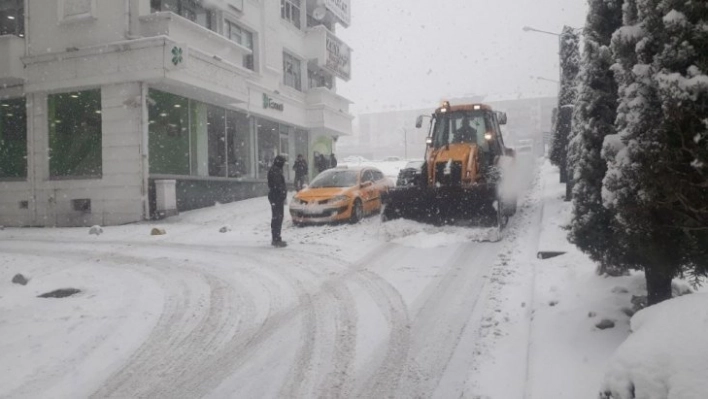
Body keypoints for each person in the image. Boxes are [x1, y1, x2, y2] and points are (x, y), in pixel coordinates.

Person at [268, 155, 288, 248]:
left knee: (277, 217)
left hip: (276, 197)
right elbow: (277, 185)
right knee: (277, 217)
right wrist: (282, 194)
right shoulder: (275, 171)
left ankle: (276, 238)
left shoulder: (275, 170)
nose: (283, 165)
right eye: (283, 162)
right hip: (276, 197)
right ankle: (276, 239)